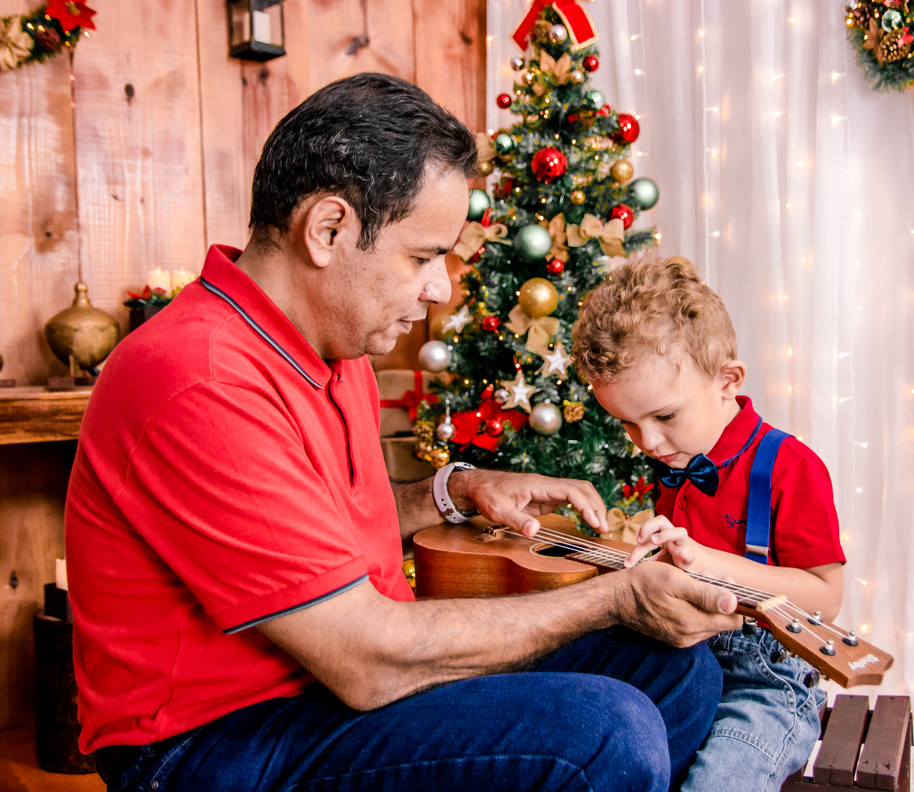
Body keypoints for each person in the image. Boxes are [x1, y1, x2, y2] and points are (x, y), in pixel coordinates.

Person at [64, 74, 744, 792]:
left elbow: (318, 541)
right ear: (328, 230)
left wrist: (458, 489)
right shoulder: (200, 378)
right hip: (208, 746)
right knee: (605, 731)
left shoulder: (332, 340)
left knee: (675, 674)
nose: (443, 288)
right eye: (423, 256)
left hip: (327, 692)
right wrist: (615, 595)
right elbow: (364, 657)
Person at [572, 256, 846, 792]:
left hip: (765, 685)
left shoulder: (790, 466)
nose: (647, 442)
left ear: (727, 381)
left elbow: (825, 599)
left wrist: (703, 560)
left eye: (664, 417)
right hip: (682, 661)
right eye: (627, 422)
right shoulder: (676, 457)